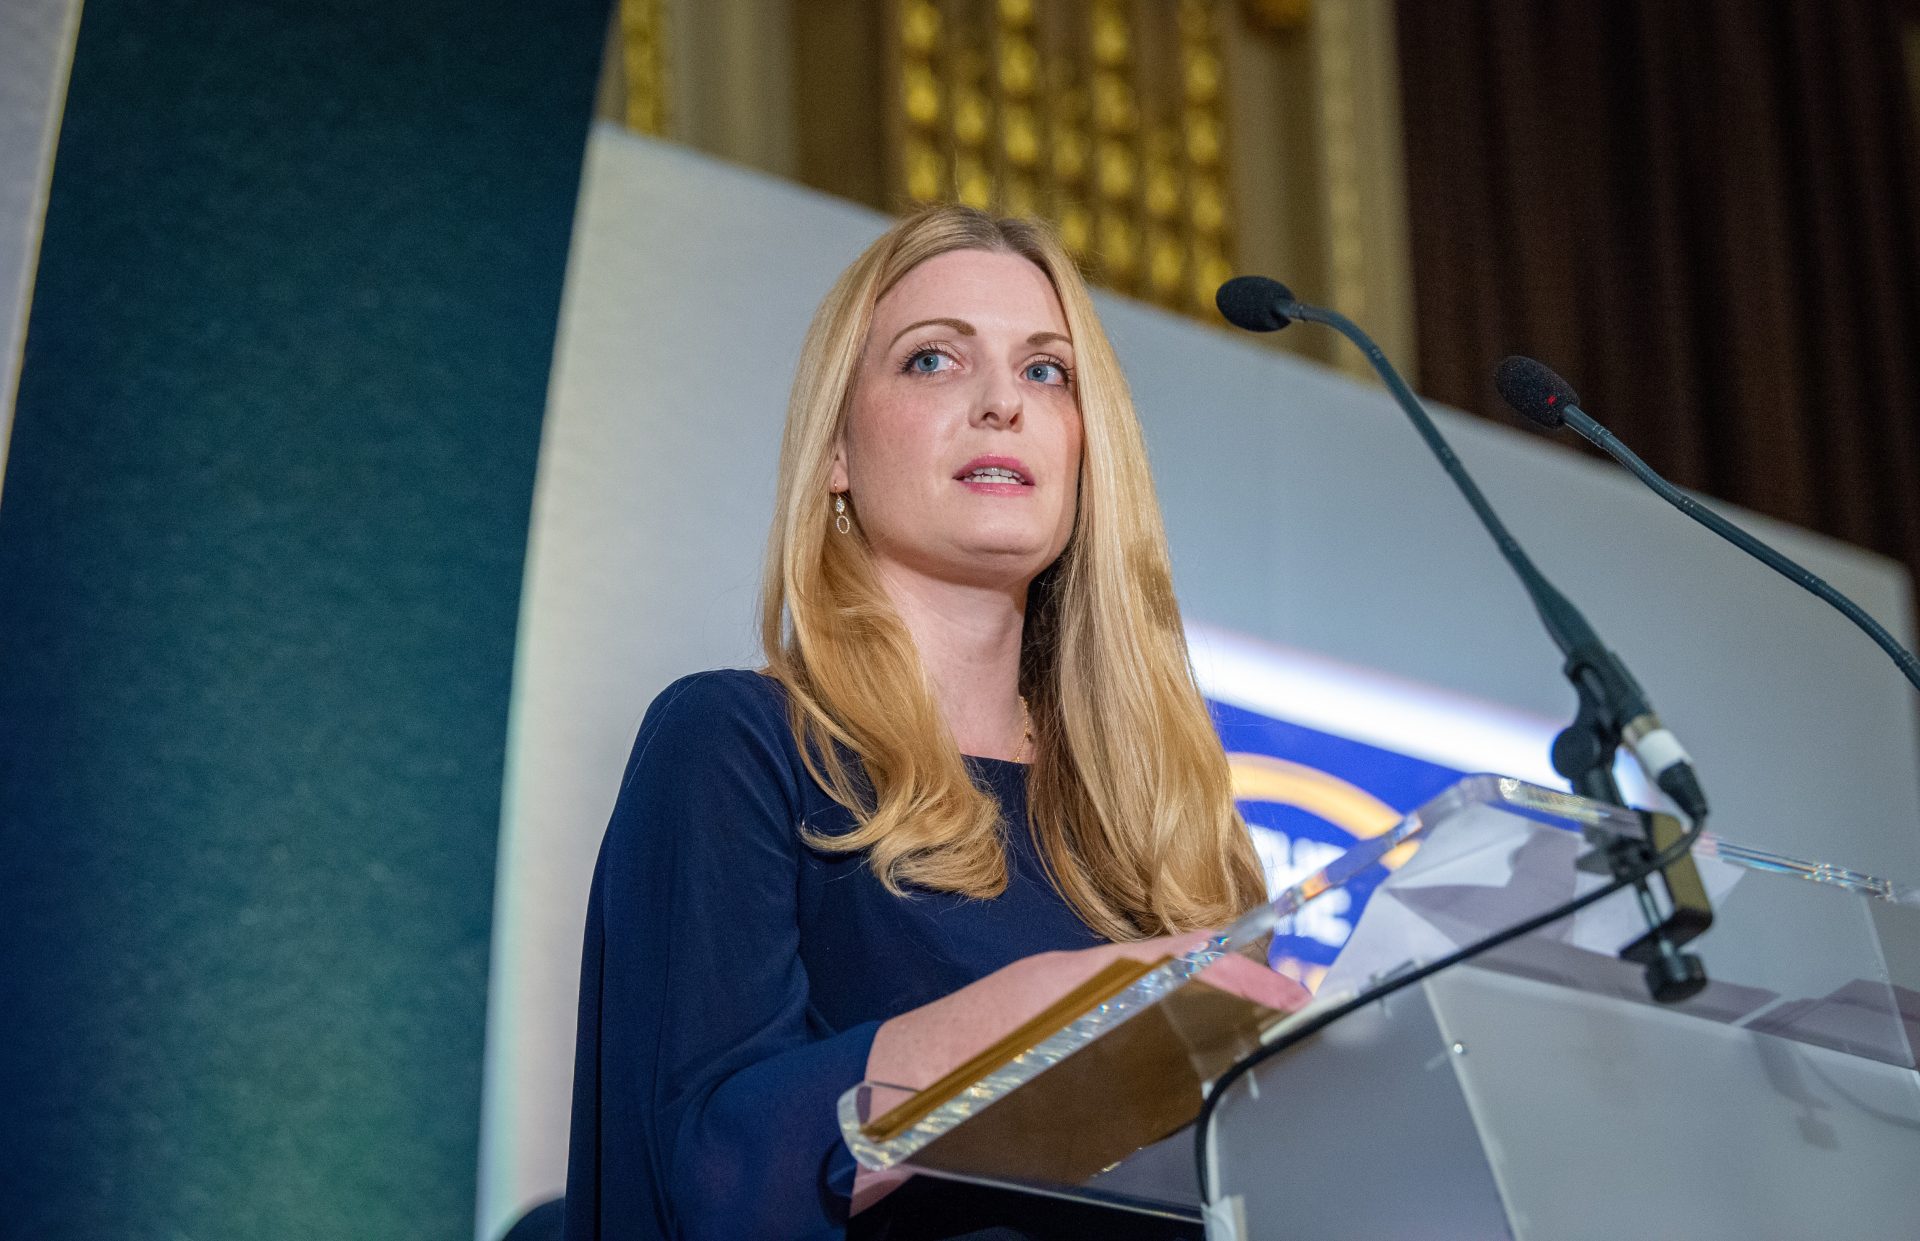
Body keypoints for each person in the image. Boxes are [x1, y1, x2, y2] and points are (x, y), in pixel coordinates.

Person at [559, 205, 1306, 1241]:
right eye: (933, 360)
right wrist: (1059, 1015)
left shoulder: (1177, 834)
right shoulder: (737, 745)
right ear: (836, 450)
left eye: (1046, 371)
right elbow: (712, 1168)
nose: (1003, 401)